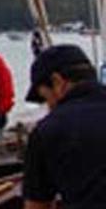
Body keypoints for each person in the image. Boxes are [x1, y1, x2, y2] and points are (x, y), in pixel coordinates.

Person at [23, 44, 106, 208]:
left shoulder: (47, 131)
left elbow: (37, 206)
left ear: (57, 81)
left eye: (45, 98)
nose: (48, 107)